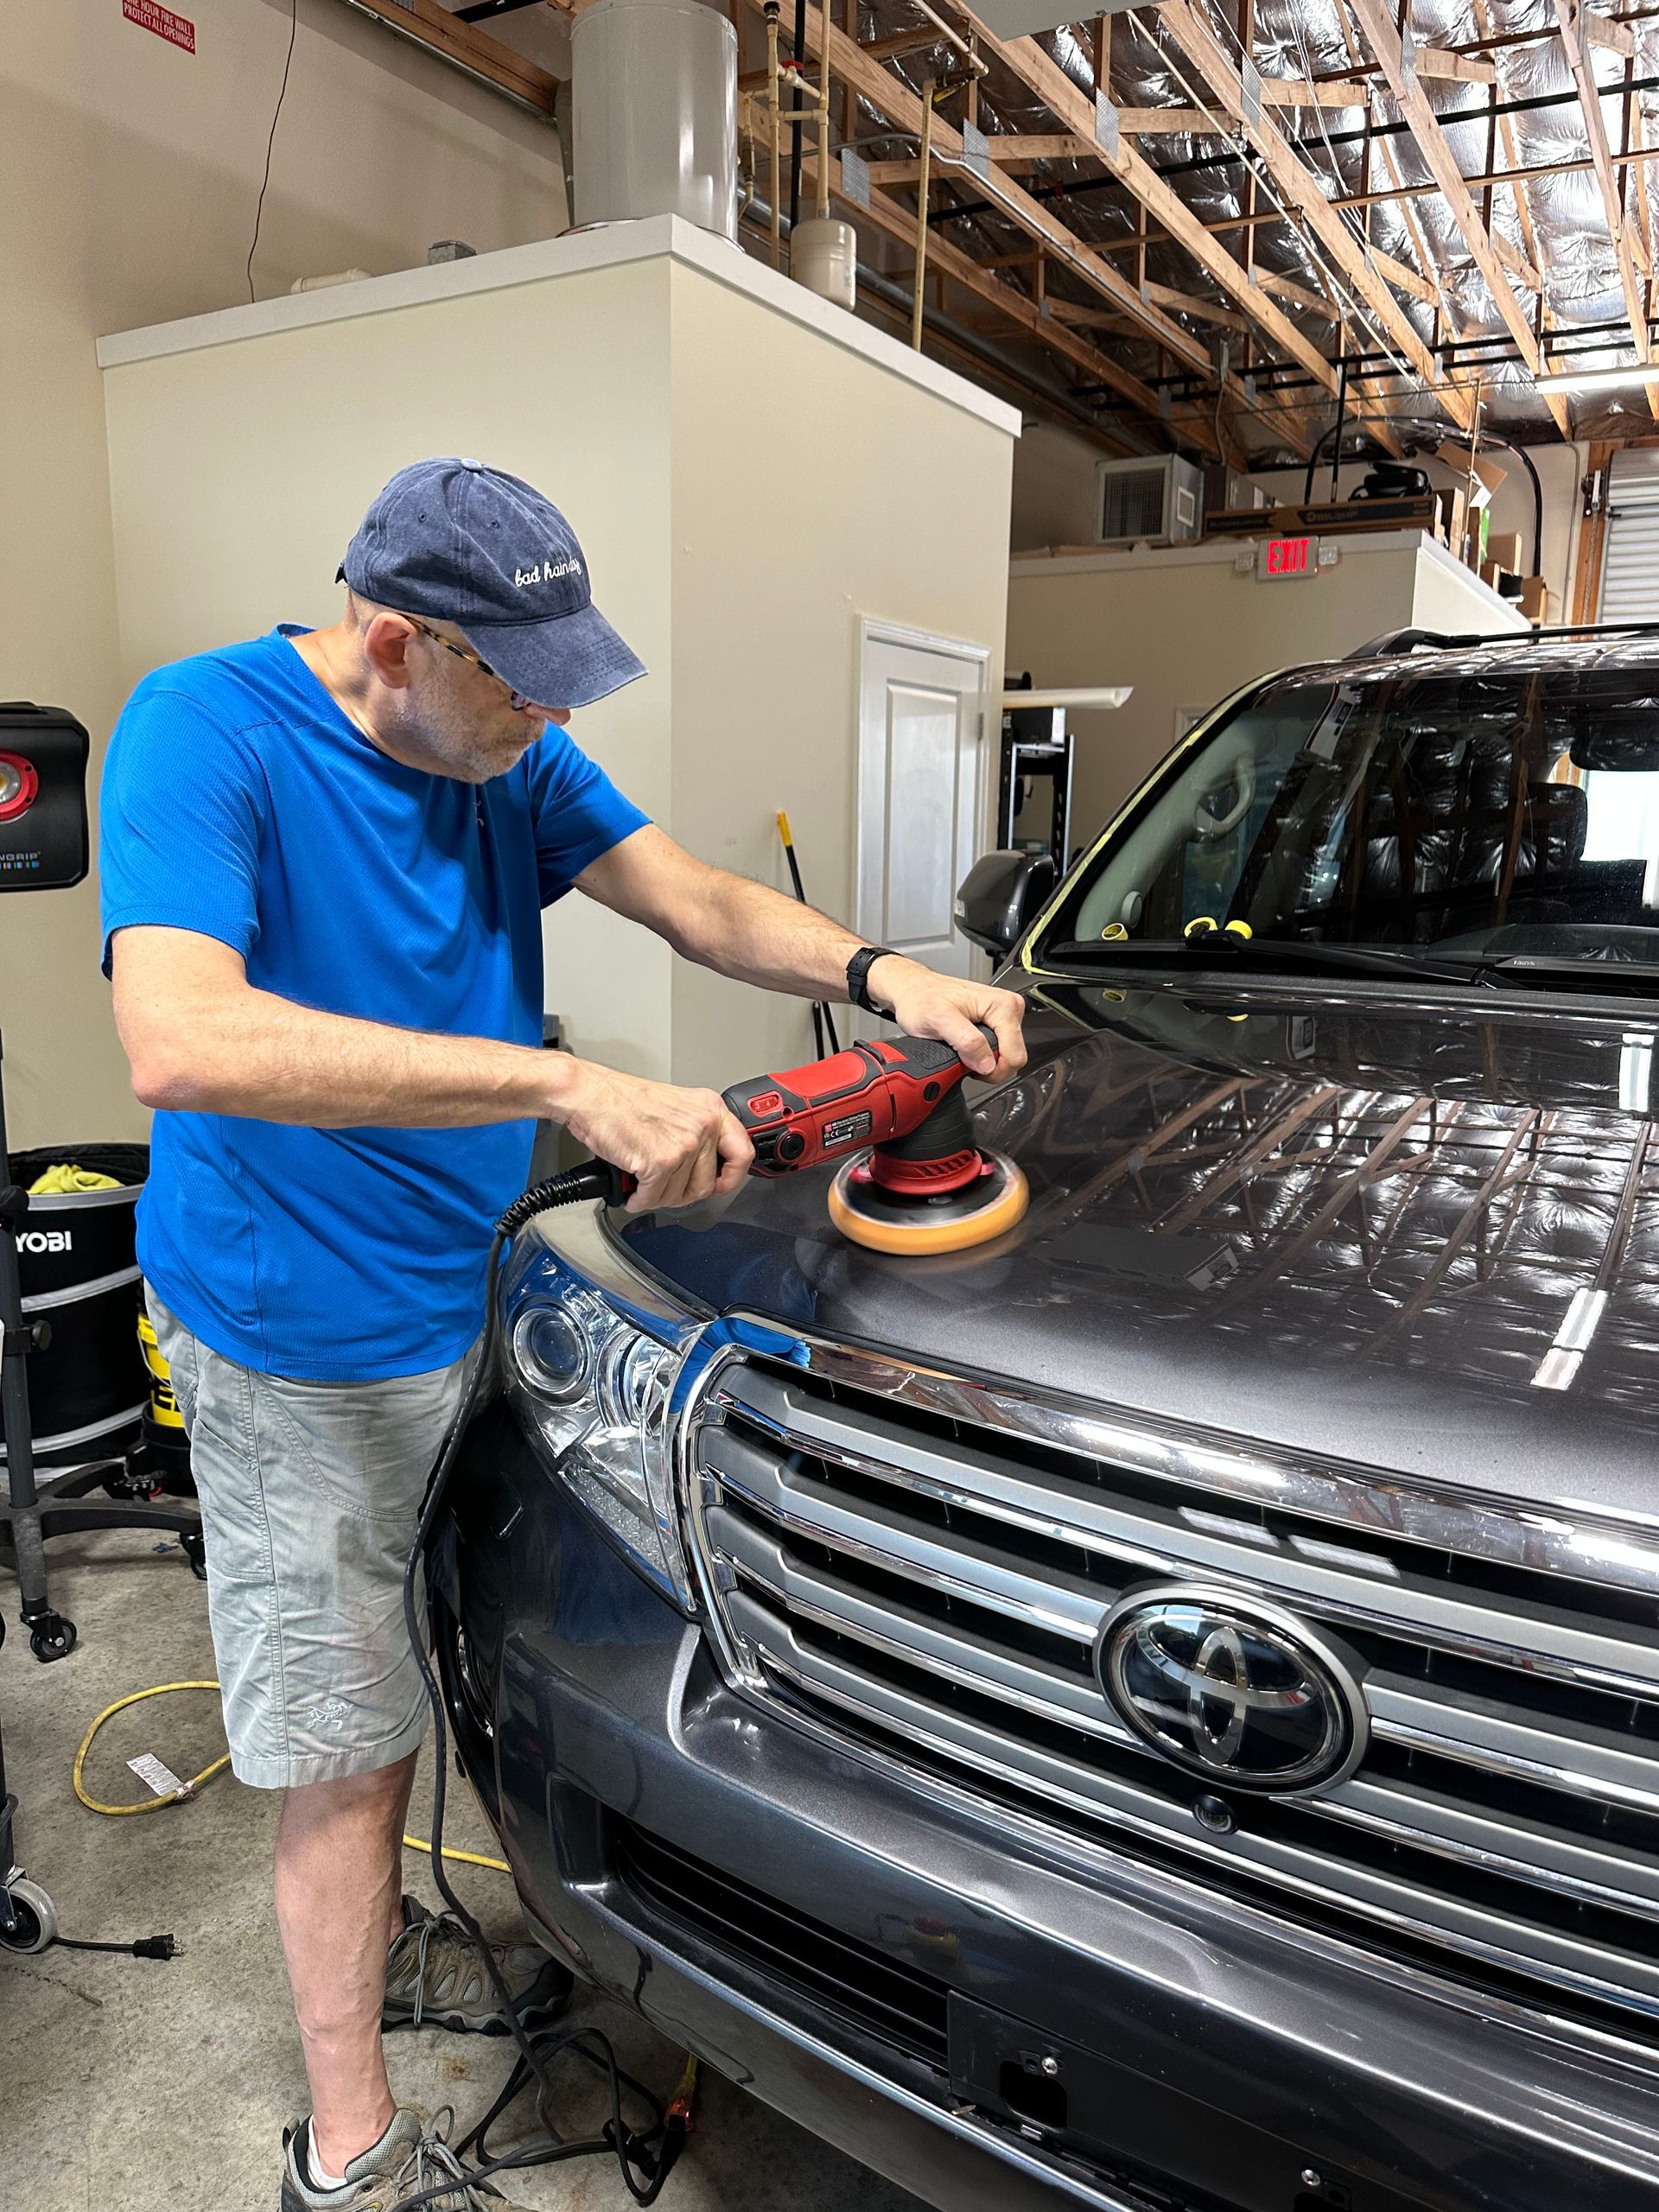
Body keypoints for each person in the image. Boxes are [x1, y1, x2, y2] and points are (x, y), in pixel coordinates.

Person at [99, 458, 1027, 2212]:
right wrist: (567, 1078)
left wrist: (889, 975)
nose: (544, 717)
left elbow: (694, 895)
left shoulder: (501, 747)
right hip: (297, 1335)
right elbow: (184, 1036)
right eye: (517, 681)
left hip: (469, 1295)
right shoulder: (201, 731)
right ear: (393, 639)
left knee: (451, 1656)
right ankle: (349, 2146)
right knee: (343, 1743)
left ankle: (387, 1956)